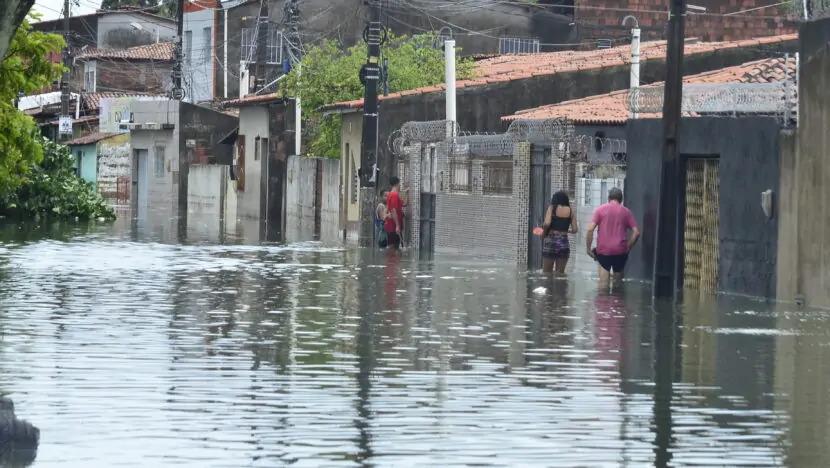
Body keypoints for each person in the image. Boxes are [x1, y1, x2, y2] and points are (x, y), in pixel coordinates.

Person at [585, 187, 640, 288]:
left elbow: (590, 229)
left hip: (604, 250)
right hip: (620, 251)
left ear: (609, 198)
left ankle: (604, 302)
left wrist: (588, 249)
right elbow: (636, 233)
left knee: (603, 286)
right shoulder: (626, 212)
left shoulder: (600, 210)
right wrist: (628, 247)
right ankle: (617, 301)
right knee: (618, 287)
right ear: (621, 199)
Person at [542, 191, 578, 273]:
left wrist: (543, 233)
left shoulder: (552, 208)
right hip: (563, 244)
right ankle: (560, 286)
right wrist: (566, 231)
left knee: (546, 273)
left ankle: (547, 286)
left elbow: (547, 223)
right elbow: (575, 229)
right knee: (560, 274)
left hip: (551, 242)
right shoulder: (571, 210)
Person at [384, 176, 404, 250]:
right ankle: (392, 261)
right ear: (397, 183)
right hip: (393, 226)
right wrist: (397, 226)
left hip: (392, 225)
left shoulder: (390, 194)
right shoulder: (394, 195)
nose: (400, 185)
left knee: (393, 247)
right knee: (393, 247)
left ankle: (391, 261)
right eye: (399, 183)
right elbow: (393, 210)